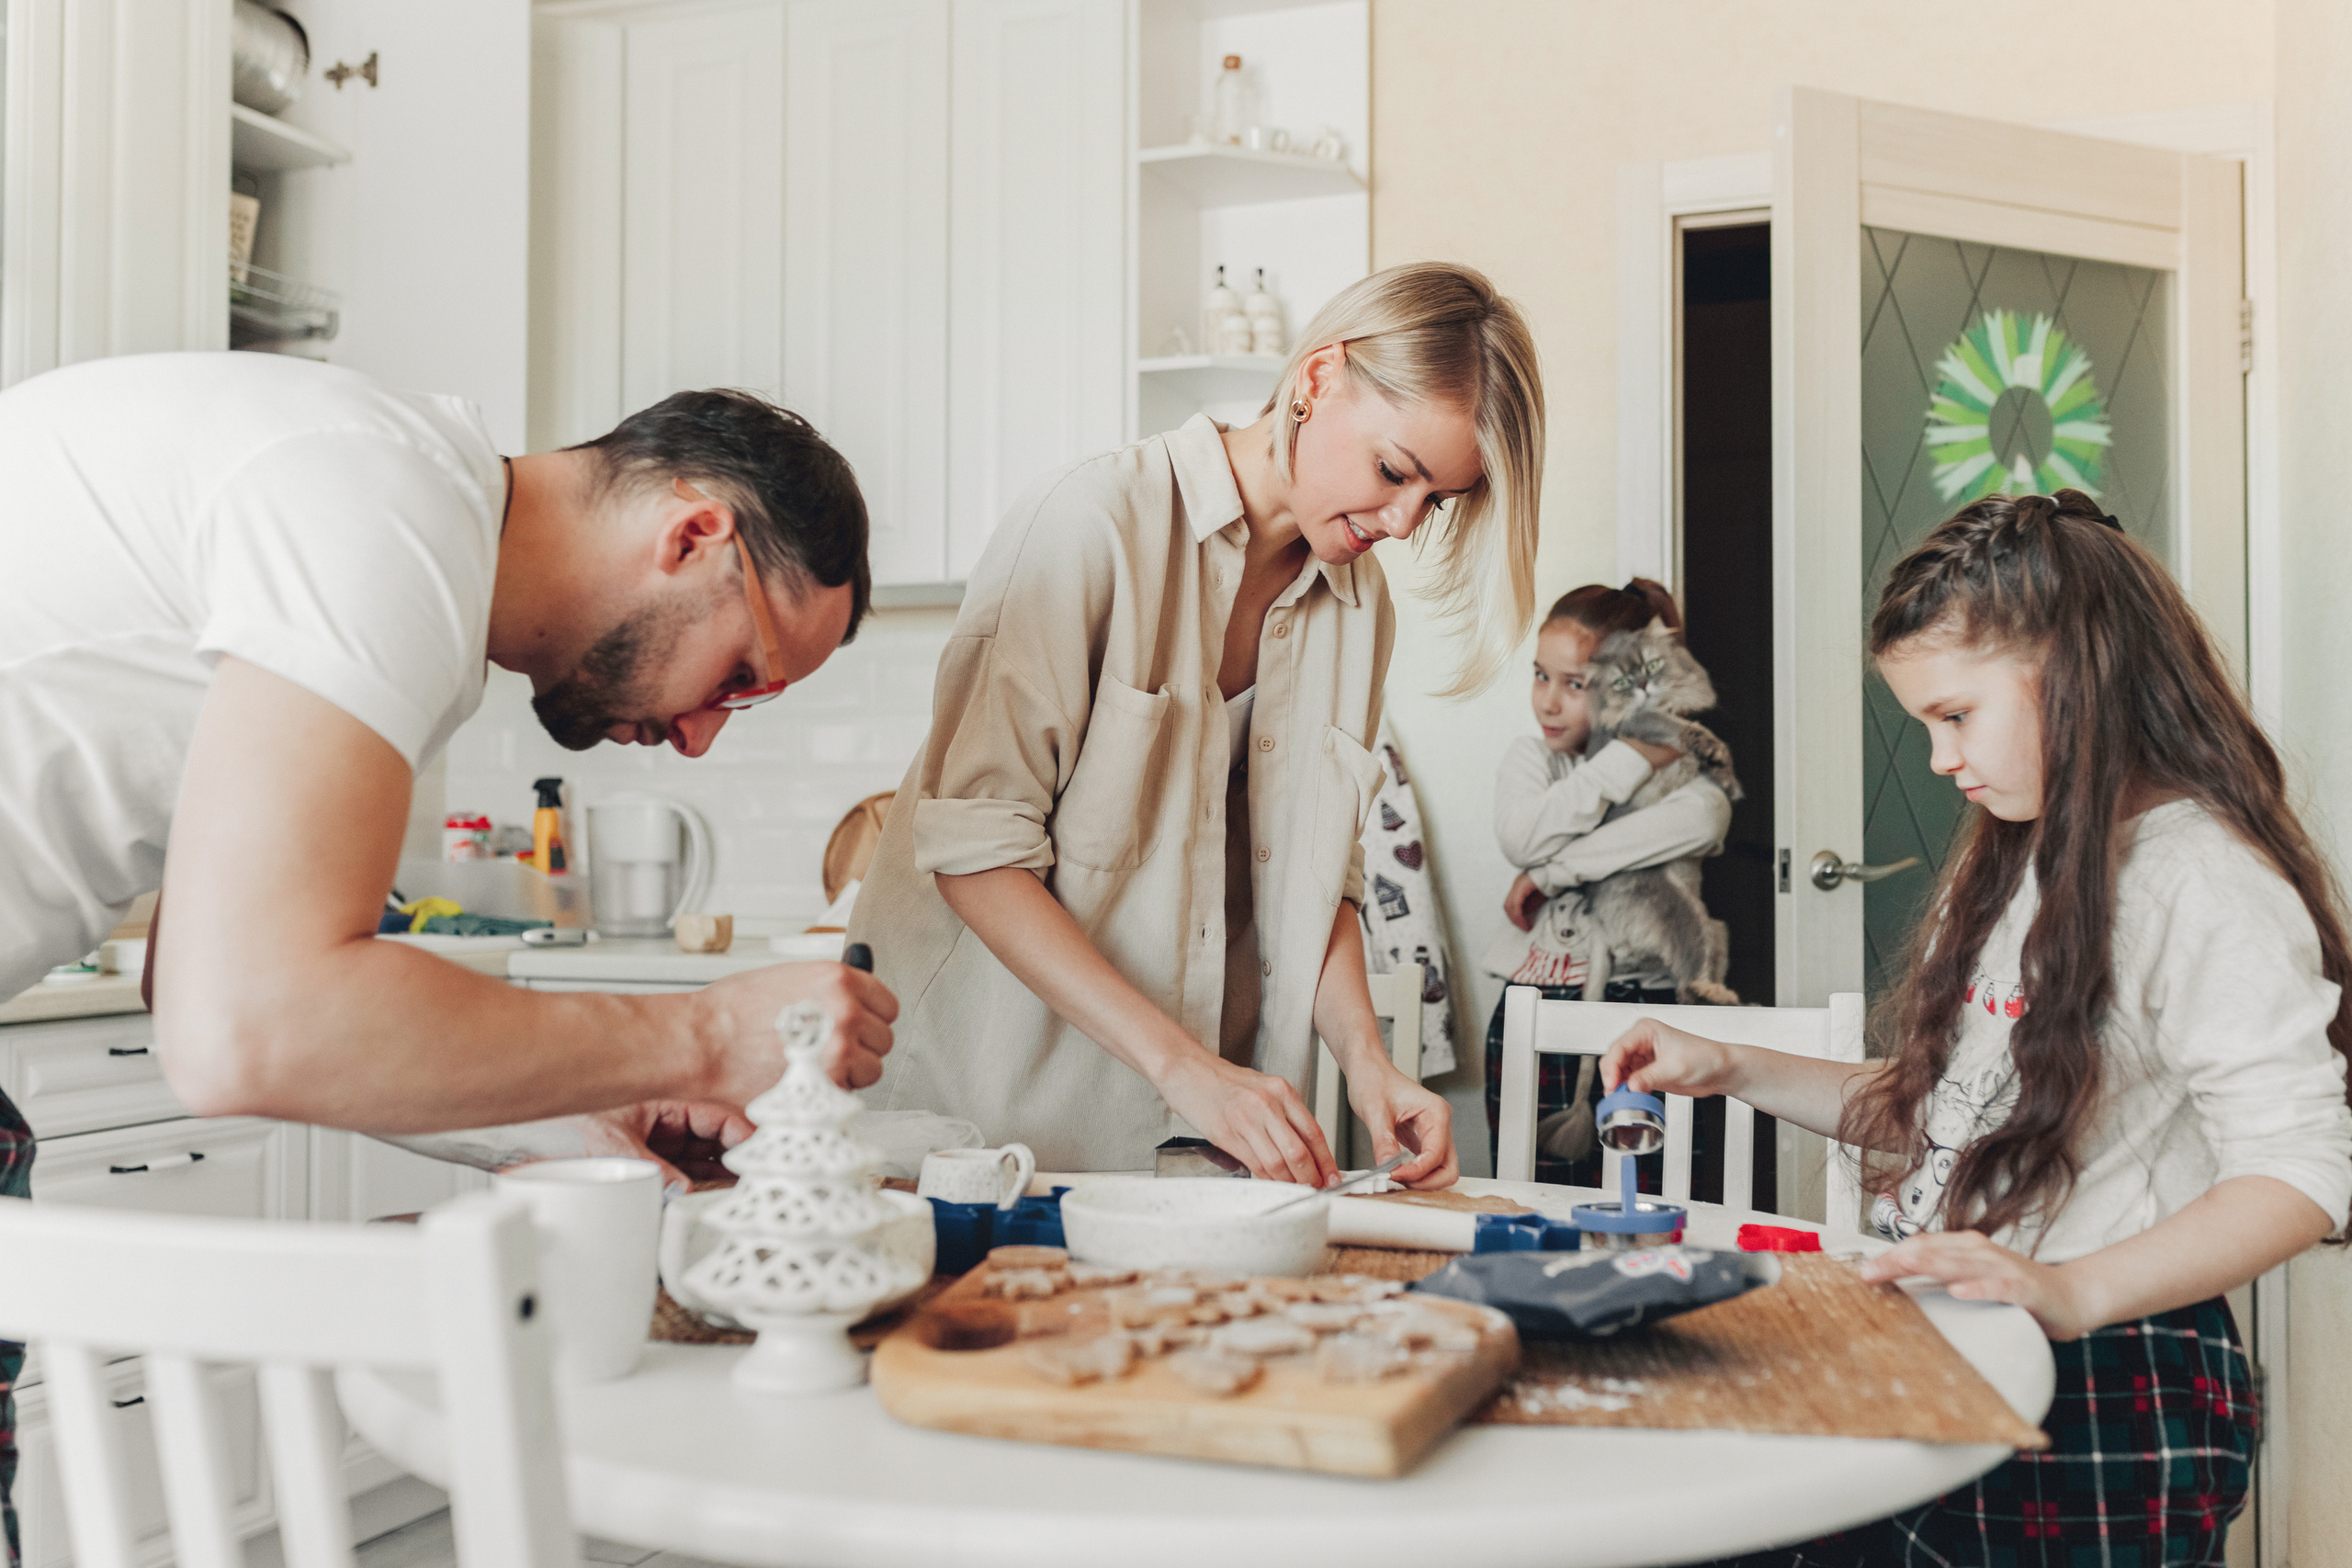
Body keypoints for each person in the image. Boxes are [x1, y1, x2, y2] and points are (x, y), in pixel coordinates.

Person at [0, 354, 899, 1563]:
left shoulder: (389, 513)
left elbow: (210, 984)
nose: (697, 736)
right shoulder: (385, 516)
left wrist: (586, 1106)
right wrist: (707, 1029)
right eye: (742, 675)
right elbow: (245, 1020)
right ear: (694, 533)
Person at [1604, 491, 2352, 1567]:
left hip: (2110, 1380)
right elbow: (1948, 1112)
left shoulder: (2203, 880)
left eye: (1956, 716)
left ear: (2077, 675)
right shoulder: (2013, 855)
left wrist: (2069, 1290)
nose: (1940, 758)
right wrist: (1730, 1065)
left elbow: (2301, 1173)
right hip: (1966, 1335)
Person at [851, 262, 1544, 1187]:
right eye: (1393, 471)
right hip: (981, 1126)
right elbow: (975, 856)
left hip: (1188, 1139)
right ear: (1315, 380)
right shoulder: (1091, 524)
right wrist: (1187, 1068)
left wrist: (1370, 1066)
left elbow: (1316, 878)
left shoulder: (1356, 606)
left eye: (1438, 500)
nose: (1405, 523)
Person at [1478, 580, 1733, 1186]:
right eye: (1541, 676)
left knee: (1660, 1201)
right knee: (1535, 1202)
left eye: (1575, 684)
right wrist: (1635, 756)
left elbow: (1705, 817)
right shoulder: (1533, 760)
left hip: (1653, 1007)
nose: (1548, 702)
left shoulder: (1687, 769)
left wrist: (1549, 872)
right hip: (1540, 1006)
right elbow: (1522, 836)